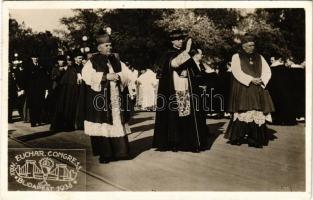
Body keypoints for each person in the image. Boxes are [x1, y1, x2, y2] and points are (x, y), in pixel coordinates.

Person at [79, 28, 134, 163]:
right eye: (106, 45)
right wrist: (105, 76)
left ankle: (120, 152)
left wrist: (119, 76)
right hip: (101, 98)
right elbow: (87, 76)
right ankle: (106, 154)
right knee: (104, 125)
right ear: (99, 47)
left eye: (110, 45)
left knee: (117, 122)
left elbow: (128, 74)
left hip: (115, 97)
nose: (109, 47)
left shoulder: (116, 60)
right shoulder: (92, 61)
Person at [153, 30, 209, 152]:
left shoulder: (185, 53)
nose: (180, 41)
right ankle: (174, 142)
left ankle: (188, 142)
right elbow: (174, 64)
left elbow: (195, 70)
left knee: (187, 115)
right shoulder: (168, 54)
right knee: (174, 115)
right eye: (177, 39)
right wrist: (187, 51)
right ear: (172, 41)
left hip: (187, 88)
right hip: (173, 88)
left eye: (181, 39)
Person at [225, 34, 275, 148]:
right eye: (250, 45)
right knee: (243, 111)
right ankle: (237, 137)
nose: (252, 47)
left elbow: (267, 71)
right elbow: (236, 72)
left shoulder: (259, 57)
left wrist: (261, 80)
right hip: (244, 87)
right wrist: (251, 79)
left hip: (257, 88)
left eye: (253, 45)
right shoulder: (236, 57)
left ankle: (255, 139)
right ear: (243, 46)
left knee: (256, 111)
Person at [50, 51, 83, 132]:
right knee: (63, 107)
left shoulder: (74, 68)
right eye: (67, 60)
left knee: (69, 107)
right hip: (64, 89)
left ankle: (67, 125)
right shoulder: (62, 68)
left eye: (70, 60)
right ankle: (61, 125)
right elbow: (55, 78)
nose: (69, 62)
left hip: (71, 89)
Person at [267, 56, 297, 125]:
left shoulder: (272, 69)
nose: (271, 61)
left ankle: (278, 120)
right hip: (286, 91)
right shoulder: (286, 69)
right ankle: (289, 120)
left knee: (277, 105)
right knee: (286, 104)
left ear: (278, 59)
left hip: (276, 91)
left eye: (272, 60)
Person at [24, 52, 50, 127]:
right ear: (31, 58)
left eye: (36, 57)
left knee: (39, 105)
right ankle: (33, 121)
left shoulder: (41, 66)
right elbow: (25, 79)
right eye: (34, 57)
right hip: (31, 90)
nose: (35, 59)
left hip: (40, 89)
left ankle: (38, 120)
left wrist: (45, 88)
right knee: (32, 106)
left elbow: (44, 78)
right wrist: (25, 89)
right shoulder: (28, 67)